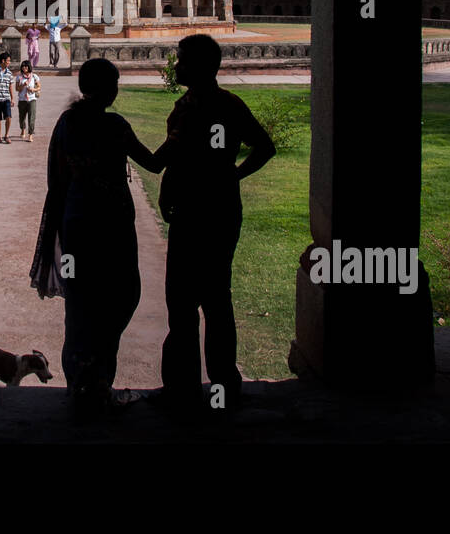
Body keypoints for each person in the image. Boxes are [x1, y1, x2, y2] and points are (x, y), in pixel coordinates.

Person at [30, 57, 166, 417]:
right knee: (121, 297)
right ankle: (99, 381)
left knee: (80, 304)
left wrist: (57, 225)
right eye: (115, 84)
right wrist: (177, 139)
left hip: (75, 223)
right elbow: (152, 163)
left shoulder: (67, 123)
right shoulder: (115, 126)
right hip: (113, 226)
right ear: (108, 90)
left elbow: (55, 178)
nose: (117, 90)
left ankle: (82, 384)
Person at [154, 34, 275, 410]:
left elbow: (165, 159)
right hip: (216, 210)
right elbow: (262, 148)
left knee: (189, 301)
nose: (177, 65)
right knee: (211, 299)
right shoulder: (223, 104)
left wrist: (117, 136)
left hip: (199, 214)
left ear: (202, 67)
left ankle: (187, 391)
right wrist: (230, 176)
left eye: (182, 60)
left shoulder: (200, 108)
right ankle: (220, 390)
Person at [15, 59, 41, 141]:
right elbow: (17, 89)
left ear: (29, 67)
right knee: (21, 117)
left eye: (26, 66)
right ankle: (23, 130)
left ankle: (30, 134)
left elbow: (39, 87)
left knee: (32, 117)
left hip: (32, 99)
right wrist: (23, 85)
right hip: (22, 100)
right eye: (23, 66)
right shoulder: (19, 77)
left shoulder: (34, 76)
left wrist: (33, 89)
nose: (24, 68)